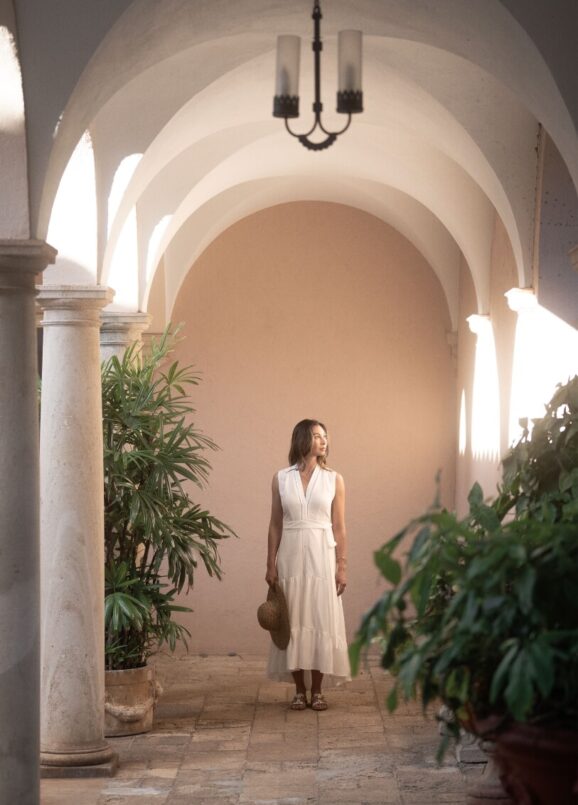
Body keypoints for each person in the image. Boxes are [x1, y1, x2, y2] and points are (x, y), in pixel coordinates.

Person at [265, 419, 351, 711]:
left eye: (325, 436)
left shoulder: (333, 479)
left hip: (321, 556)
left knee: (319, 619)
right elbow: (275, 524)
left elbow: (339, 527)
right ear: (302, 439)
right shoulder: (281, 478)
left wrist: (342, 565)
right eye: (316, 436)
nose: (323, 441)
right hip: (290, 555)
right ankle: (299, 691)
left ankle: (317, 691)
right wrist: (270, 563)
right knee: (293, 621)